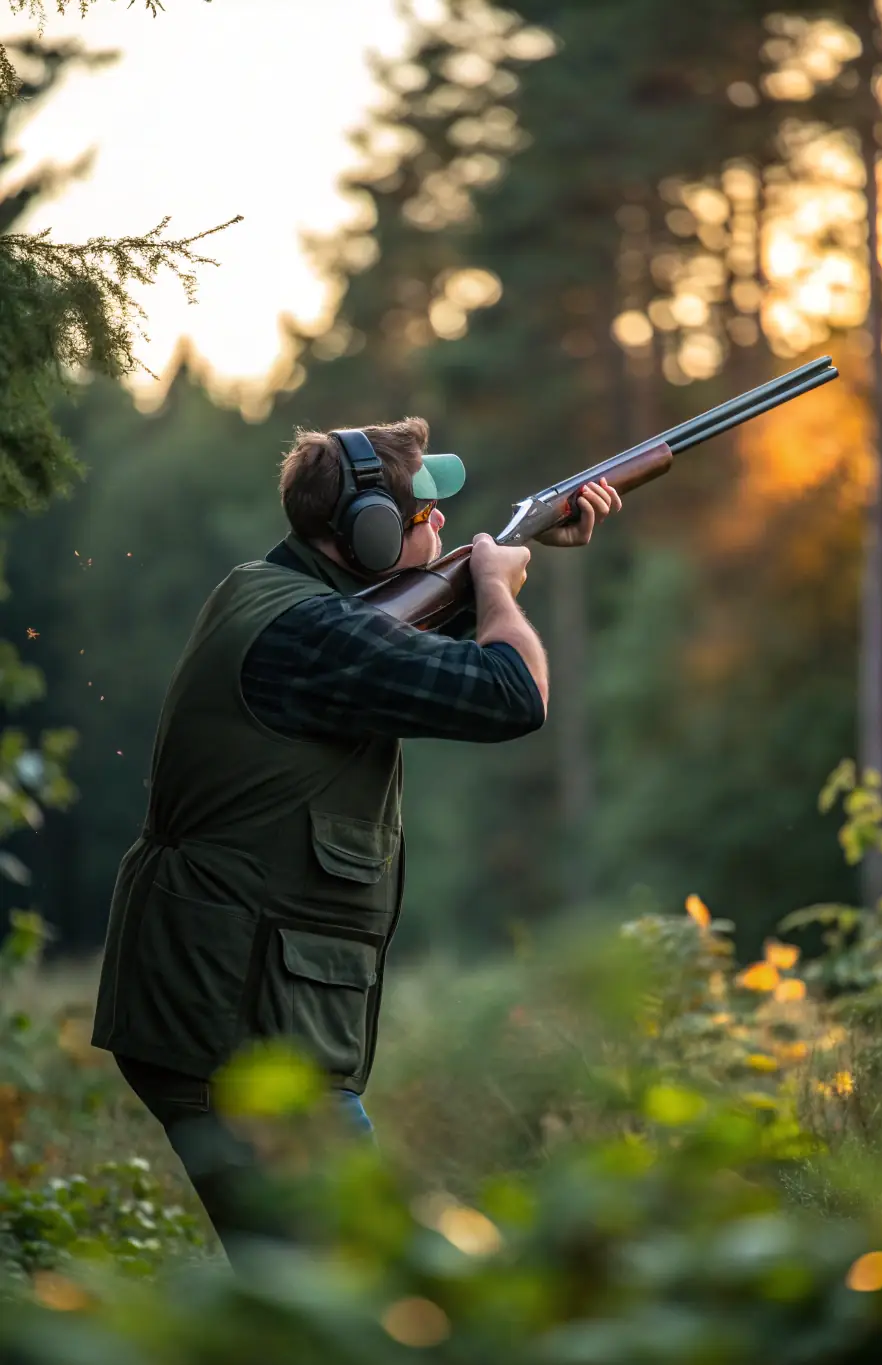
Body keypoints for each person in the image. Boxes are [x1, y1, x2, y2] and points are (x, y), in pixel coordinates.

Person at [89, 417, 621, 1265]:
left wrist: (524, 549)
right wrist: (498, 591)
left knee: (329, 1298)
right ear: (369, 536)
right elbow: (513, 692)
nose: (442, 524)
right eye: (423, 518)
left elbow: (387, 646)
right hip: (234, 1027)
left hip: (229, 1009)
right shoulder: (309, 632)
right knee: (361, 1291)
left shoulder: (268, 592)